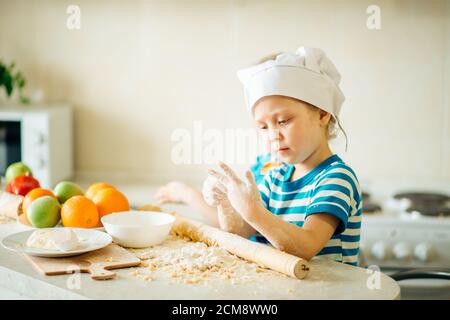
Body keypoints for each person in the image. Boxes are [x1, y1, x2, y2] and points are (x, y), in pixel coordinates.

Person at [202, 47, 362, 266]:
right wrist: (225, 204)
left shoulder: (335, 178)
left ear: (323, 113)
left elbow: (306, 246)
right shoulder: (275, 176)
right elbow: (239, 232)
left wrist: (252, 211)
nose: (273, 135)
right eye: (263, 127)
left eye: (283, 121)